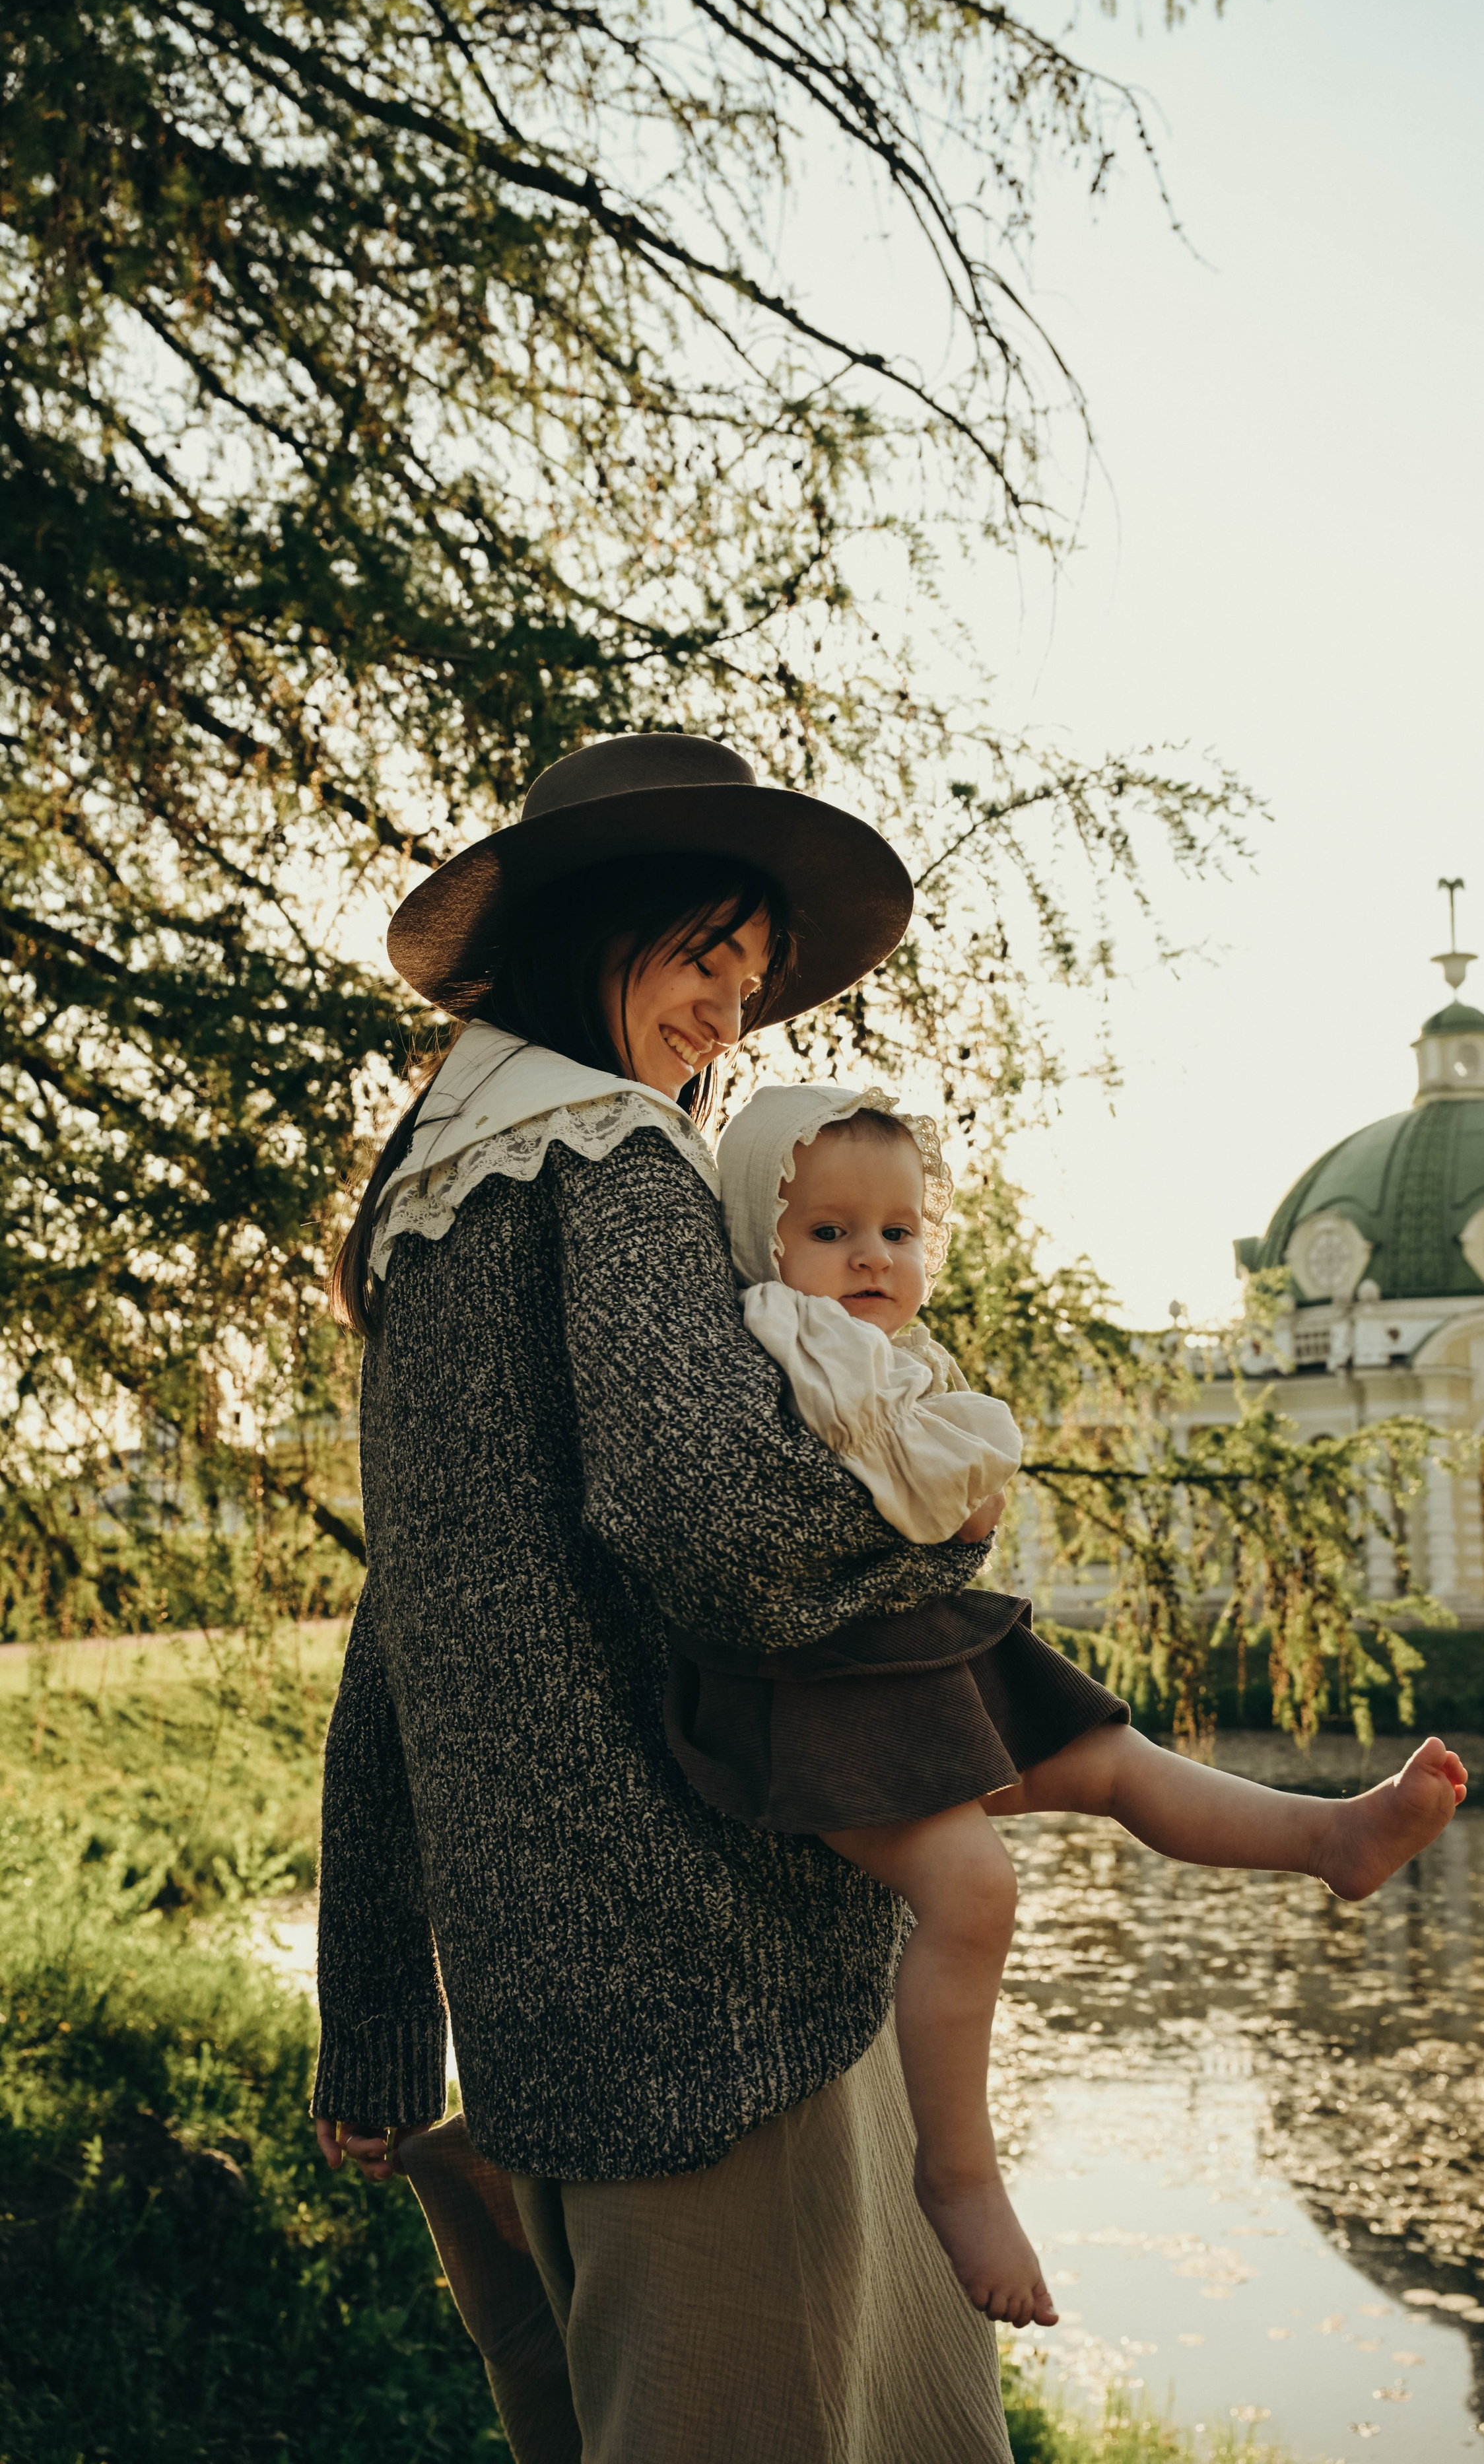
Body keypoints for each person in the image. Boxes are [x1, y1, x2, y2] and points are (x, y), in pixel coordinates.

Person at [311, 733, 1017, 2464]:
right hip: (731, 2001)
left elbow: (406, 1632)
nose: (731, 1013)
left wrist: (383, 2014)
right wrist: (942, 1533)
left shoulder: (420, 1207)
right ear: (599, 927)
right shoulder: (612, 1159)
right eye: (709, 953)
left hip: (554, 2022)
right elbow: (704, 1517)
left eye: (754, 977)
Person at [663, 1082, 1471, 2332]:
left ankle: (1328, 1837)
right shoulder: (782, 1340)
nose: (873, 1255)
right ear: (761, 1245)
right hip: (816, 1703)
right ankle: (961, 2173)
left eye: (898, 1230)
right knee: (974, 1886)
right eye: (830, 1233)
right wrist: (956, 1491)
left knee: (1111, 1758)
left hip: (901, 1667)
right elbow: (881, 1493)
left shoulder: (871, 1351)